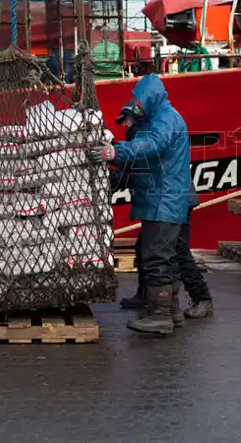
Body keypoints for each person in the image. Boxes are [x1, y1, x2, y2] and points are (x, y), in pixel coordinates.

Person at [89, 73, 190, 335]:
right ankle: (171, 310)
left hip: (164, 201)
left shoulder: (166, 121)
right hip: (160, 200)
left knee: (156, 257)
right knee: (159, 255)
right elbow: (141, 154)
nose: (138, 106)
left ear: (153, 99)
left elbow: (150, 146)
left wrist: (114, 152)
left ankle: (160, 315)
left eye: (141, 102)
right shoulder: (156, 119)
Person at [111, 103, 213, 324]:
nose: (124, 124)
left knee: (178, 252)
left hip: (175, 202)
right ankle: (145, 295)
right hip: (168, 201)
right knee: (144, 247)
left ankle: (202, 298)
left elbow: (134, 166)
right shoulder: (140, 136)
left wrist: (113, 159)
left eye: (126, 119)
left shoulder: (148, 137)